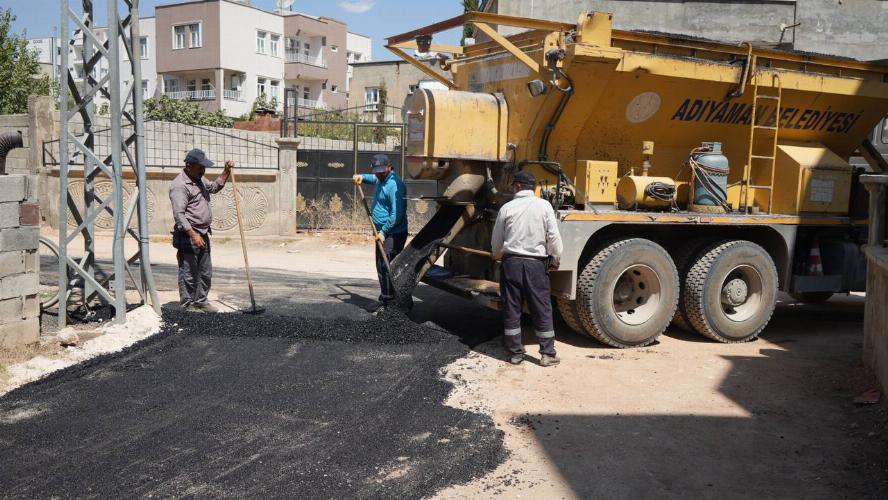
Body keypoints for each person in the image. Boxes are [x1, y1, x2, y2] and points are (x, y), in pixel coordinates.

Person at [491, 170, 564, 366]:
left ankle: (515, 353)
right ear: (533, 188)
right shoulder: (544, 206)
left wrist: (498, 257)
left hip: (511, 263)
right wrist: (555, 258)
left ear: (517, 186)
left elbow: (496, 241)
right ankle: (547, 353)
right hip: (536, 265)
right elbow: (554, 237)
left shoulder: (507, 208)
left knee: (512, 309)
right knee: (541, 308)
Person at [169, 148, 232, 313]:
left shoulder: (198, 179)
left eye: (204, 167)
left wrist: (226, 172)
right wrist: (193, 234)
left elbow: (213, 188)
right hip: (188, 235)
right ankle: (188, 304)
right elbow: (179, 215)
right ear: (189, 166)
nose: (203, 170)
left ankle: (201, 301)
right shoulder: (180, 186)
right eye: (200, 167)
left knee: (205, 272)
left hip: (203, 233)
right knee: (188, 273)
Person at [353, 154, 407, 311]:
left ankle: (395, 300)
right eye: (376, 171)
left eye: (381, 171)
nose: (378, 174)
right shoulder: (381, 178)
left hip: (393, 233)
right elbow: (373, 179)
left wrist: (383, 231)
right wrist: (361, 177)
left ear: (389, 167)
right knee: (381, 265)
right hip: (382, 233)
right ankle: (386, 297)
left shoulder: (395, 185)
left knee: (388, 266)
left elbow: (396, 216)